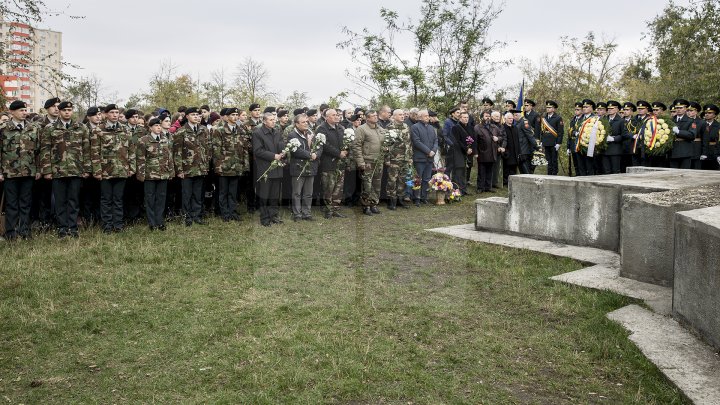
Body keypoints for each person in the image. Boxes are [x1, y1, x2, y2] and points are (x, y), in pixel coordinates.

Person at [41, 101, 92, 238]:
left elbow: (87, 150)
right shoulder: (50, 128)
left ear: (72, 111)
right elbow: (45, 150)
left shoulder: (81, 128)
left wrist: (87, 169)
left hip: (76, 170)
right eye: (64, 110)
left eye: (70, 110)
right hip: (58, 170)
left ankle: (73, 227)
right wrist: (47, 170)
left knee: (74, 200)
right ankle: (62, 228)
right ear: (60, 111)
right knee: (60, 201)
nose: (67, 112)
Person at [91, 104, 135, 233]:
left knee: (118, 199)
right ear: (106, 114)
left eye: (117, 112)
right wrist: (97, 170)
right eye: (112, 112)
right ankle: (107, 225)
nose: (115, 115)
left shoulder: (125, 130)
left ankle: (118, 225)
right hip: (105, 171)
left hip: (121, 170)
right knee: (106, 199)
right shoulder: (99, 130)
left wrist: (131, 168)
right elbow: (94, 152)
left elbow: (131, 150)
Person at [0, 100, 41, 240]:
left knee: (26, 203)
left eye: (25, 110)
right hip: (10, 172)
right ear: (12, 112)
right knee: (11, 204)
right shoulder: (3, 128)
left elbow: (37, 151)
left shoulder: (32, 128)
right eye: (21, 110)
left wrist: (38, 169)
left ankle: (24, 231)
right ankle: (10, 232)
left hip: (28, 172)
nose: (24, 113)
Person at [172, 107, 210, 226]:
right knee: (186, 194)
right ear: (187, 116)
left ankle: (196, 215)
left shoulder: (204, 130)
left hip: (200, 167)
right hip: (186, 168)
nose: (196, 117)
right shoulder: (181, 132)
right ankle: (186, 217)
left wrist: (206, 164)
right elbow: (176, 152)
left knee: (197, 194)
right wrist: (179, 170)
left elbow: (208, 149)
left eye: (198, 115)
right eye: (193, 114)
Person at [136, 117, 174, 231]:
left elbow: (169, 157)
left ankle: (160, 221)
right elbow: (141, 159)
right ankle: (152, 222)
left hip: (163, 174)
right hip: (150, 175)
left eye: (159, 125)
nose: (158, 128)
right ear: (150, 127)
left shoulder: (165, 139)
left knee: (161, 198)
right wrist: (141, 174)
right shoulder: (143, 140)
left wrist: (171, 171)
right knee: (150, 198)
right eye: (156, 126)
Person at [212, 107, 246, 222]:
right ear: (227, 117)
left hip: (236, 166)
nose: (235, 117)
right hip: (224, 167)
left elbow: (244, 149)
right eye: (232, 115)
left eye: (237, 115)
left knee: (233, 192)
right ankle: (224, 213)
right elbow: (216, 150)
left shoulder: (241, 130)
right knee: (223, 192)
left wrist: (244, 165)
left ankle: (232, 211)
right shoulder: (220, 130)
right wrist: (218, 166)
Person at [253, 113, 285, 226]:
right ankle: (265, 218)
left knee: (274, 195)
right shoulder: (258, 133)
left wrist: (283, 152)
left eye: (274, 120)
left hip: (276, 168)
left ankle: (273, 216)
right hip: (265, 169)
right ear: (264, 121)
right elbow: (258, 151)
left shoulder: (277, 132)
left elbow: (281, 144)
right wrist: (273, 156)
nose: (273, 122)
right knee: (264, 195)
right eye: (271, 120)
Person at [288, 114, 321, 221]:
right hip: (298, 168)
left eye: (307, 121)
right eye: (303, 122)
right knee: (297, 193)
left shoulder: (312, 133)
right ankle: (297, 214)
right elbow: (296, 150)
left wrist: (316, 154)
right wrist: (309, 154)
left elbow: (319, 146)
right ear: (297, 124)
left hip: (311, 167)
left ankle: (307, 213)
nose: (306, 123)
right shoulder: (292, 135)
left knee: (308, 193)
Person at [317, 108, 348, 219]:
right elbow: (325, 145)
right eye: (334, 115)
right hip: (328, 163)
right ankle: (328, 210)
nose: (337, 116)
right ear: (327, 117)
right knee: (328, 187)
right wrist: (338, 153)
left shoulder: (340, 128)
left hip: (340, 163)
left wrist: (345, 150)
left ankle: (335, 208)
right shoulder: (321, 129)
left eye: (338, 115)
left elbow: (345, 142)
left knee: (338, 188)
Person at [353, 110, 385, 215]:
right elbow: (356, 146)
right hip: (367, 161)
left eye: (376, 115)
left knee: (377, 184)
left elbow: (385, 143)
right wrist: (360, 162)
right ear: (367, 118)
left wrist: (387, 148)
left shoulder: (380, 129)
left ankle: (373, 204)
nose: (376, 117)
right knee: (367, 184)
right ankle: (365, 206)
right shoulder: (361, 129)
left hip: (378, 161)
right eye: (373, 116)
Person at [384, 109, 412, 209]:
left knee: (402, 180)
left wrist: (410, 157)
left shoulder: (406, 126)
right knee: (392, 180)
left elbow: (409, 143)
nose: (402, 116)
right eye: (400, 115)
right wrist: (387, 159)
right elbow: (385, 144)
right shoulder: (389, 127)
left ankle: (400, 199)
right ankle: (391, 201)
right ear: (394, 116)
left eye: (403, 115)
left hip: (404, 159)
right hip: (393, 159)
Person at [410, 110, 438, 206]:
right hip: (419, 158)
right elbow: (416, 142)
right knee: (418, 179)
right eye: (425, 116)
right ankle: (416, 198)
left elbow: (436, 140)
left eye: (428, 116)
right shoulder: (415, 127)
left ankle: (424, 197)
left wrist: (433, 151)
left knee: (427, 179)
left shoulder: (431, 128)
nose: (428, 117)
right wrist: (428, 151)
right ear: (420, 117)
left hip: (430, 158)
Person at [475, 110, 500, 192]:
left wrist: (498, 138)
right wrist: (476, 152)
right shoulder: (477, 127)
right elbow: (475, 141)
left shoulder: (495, 127)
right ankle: (480, 187)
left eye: (489, 116)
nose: (487, 118)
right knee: (481, 171)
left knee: (490, 171)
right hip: (482, 152)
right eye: (486, 116)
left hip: (492, 152)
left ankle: (488, 187)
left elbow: (501, 137)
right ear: (482, 117)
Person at [450, 111, 475, 195]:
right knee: (458, 171)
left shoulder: (470, 127)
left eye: (467, 117)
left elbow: (473, 139)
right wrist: (465, 149)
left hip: (468, 153)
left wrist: (471, 149)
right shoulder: (455, 127)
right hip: (458, 152)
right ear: (460, 118)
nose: (466, 119)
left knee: (464, 171)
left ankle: (463, 190)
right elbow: (457, 141)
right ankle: (457, 190)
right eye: (464, 117)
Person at [669, 99, 696, 169]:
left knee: (684, 174)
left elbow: (692, 135)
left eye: (681, 108)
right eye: (677, 108)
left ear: (685, 109)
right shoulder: (670, 120)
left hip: (685, 152)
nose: (678, 110)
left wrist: (679, 132)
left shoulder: (691, 121)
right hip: (672, 152)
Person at [603, 100, 629, 174]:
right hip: (605, 150)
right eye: (609, 109)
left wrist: (614, 138)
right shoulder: (604, 119)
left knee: (615, 171)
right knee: (606, 171)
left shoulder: (621, 121)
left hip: (615, 150)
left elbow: (624, 135)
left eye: (612, 108)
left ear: (617, 109)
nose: (610, 110)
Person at [540, 100, 564, 175]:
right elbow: (542, 131)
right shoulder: (544, 118)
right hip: (546, 142)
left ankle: (554, 173)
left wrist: (559, 143)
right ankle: (549, 173)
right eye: (547, 107)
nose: (548, 109)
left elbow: (560, 132)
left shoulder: (558, 118)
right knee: (548, 159)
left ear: (554, 109)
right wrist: (541, 141)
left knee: (554, 159)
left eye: (550, 107)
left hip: (554, 142)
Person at [700, 104, 720, 170]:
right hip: (702, 152)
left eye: (710, 113)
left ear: (714, 115)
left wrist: (718, 155)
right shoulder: (701, 124)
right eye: (706, 113)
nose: (707, 114)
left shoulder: (718, 126)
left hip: (714, 153)